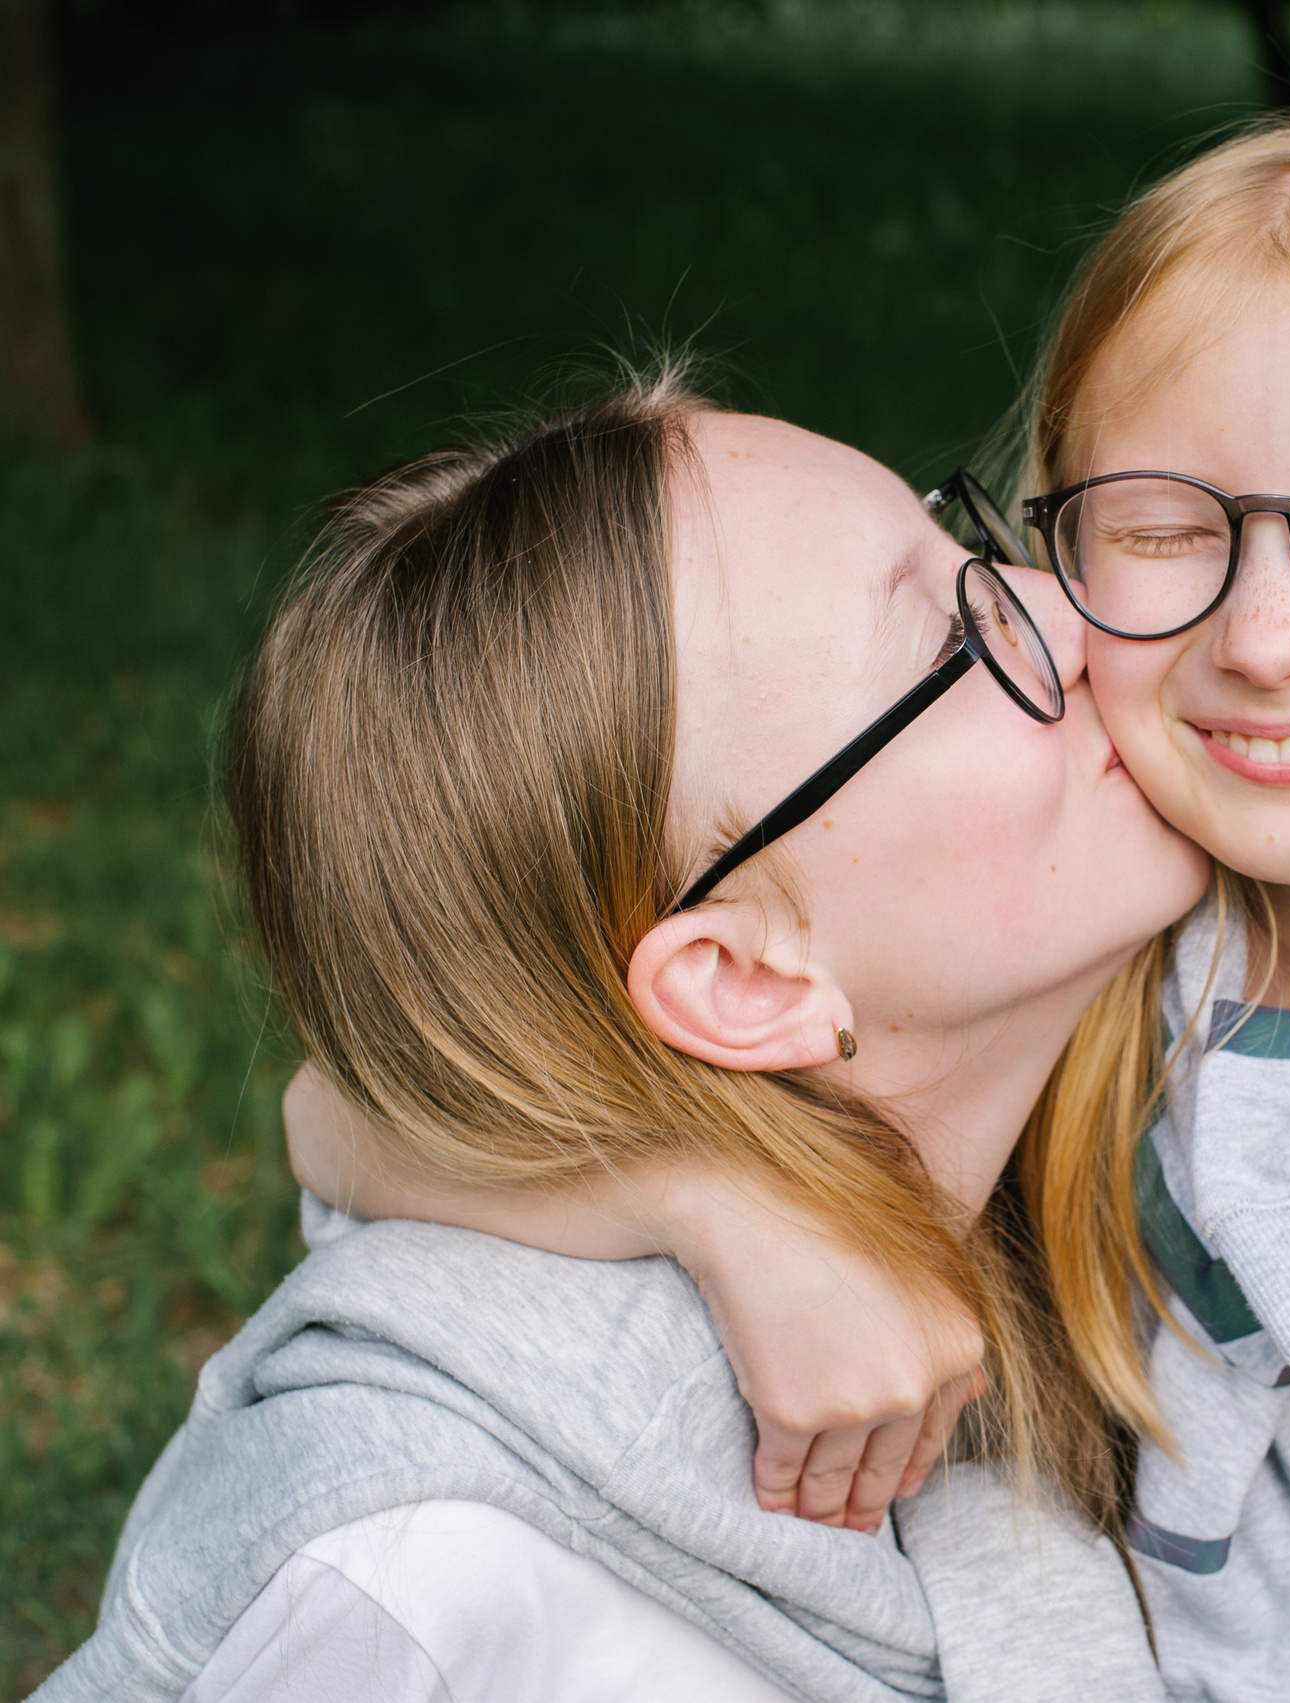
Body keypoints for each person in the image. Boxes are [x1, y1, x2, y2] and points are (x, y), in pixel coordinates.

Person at [289, 120, 1290, 1703]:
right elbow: (353, 1111)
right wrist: (719, 1205)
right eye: (1164, 531)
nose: (1271, 636)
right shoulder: (1067, 921)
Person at [33, 374, 1207, 1703]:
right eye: (950, 641)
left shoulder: (1215, 1041)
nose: (1074, 605)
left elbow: (332, 1110)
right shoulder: (422, 1581)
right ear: (742, 980)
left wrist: (695, 1190)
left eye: (978, 554)